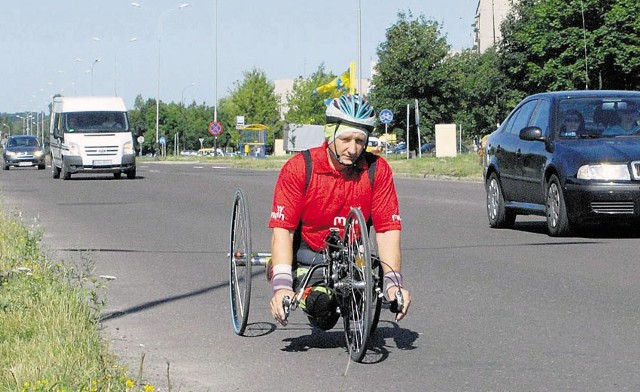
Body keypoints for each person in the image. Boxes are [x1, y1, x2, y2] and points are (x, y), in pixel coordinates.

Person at [267, 94, 411, 330]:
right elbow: (283, 230)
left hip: (353, 251)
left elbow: (387, 231)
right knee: (322, 308)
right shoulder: (299, 168)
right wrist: (281, 286)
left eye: (360, 140)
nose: (353, 149)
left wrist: (393, 285)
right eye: (345, 139)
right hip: (309, 249)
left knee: (358, 302)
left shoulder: (378, 170)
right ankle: (301, 284)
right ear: (329, 132)